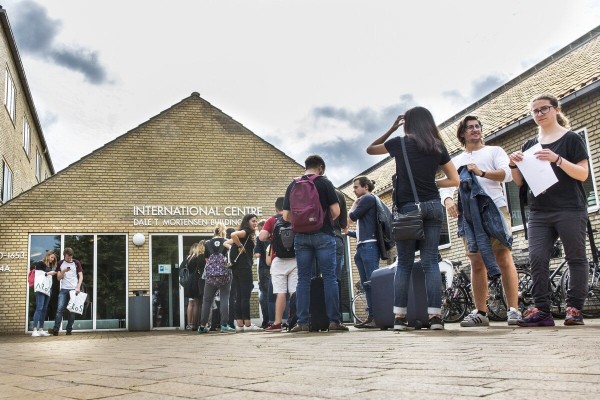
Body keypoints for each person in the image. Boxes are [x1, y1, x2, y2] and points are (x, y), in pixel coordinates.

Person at [367, 107, 459, 331]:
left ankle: (399, 318)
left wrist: (391, 128)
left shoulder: (400, 143)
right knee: (430, 263)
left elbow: (370, 149)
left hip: (408, 208)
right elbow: (454, 179)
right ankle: (436, 318)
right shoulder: (437, 146)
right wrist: (432, 184)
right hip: (433, 206)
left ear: (407, 123)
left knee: (405, 263)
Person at [509, 94, 589, 327]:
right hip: (539, 211)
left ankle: (574, 309)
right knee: (537, 258)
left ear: (556, 109)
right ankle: (542, 310)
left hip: (569, 208)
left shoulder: (571, 139)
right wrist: (514, 165)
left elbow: (583, 174)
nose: (539, 114)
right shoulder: (529, 145)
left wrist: (558, 159)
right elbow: (519, 183)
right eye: (534, 111)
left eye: (544, 109)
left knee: (575, 258)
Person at [440, 115, 521, 326]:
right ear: (462, 134)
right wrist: (448, 200)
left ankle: (513, 309)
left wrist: (481, 172)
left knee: (503, 257)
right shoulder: (456, 161)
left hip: (494, 208)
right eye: (470, 127)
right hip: (469, 216)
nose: (475, 130)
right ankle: (481, 313)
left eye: (477, 126)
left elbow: (507, 175)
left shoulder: (494, 151)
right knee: (476, 262)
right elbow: (448, 185)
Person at [283, 154, 347, 332]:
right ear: (321, 168)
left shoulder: (293, 184)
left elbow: (286, 216)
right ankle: (334, 321)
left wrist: (302, 221)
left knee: (303, 279)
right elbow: (335, 210)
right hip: (324, 235)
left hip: (301, 237)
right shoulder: (324, 183)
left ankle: (302, 322)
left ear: (306, 166)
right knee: (330, 278)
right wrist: (322, 220)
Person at [259, 197, 298, 332]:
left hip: (278, 259)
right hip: (295, 258)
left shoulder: (272, 220)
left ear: (276, 208)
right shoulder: (295, 218)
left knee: (280, 292)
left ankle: (277, 323)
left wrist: (272, 236)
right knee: (294, 291)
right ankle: (296, 320)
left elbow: (262, 237)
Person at [347, 176, 380, 328]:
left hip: (369, 246)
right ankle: (371, 316)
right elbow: (362, 229)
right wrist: (349, 233)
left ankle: (377, 317)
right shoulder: (365, 200)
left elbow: (351, 217)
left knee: (372, 283)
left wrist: (354, 204)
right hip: (362, 246)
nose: (354, 190)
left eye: (356, 187)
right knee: (366, 284)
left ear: (366, 187)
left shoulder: (367, 199)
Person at [198, 223, 236, 334]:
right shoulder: (226, 241)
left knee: (207, 301)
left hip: (211, 277)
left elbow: (206, 260)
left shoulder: (208, 243)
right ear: (224, 231)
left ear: (214, 231)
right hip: (225, 275)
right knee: (225, 298)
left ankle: (202, 326)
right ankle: (224, 325)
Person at [227, 214, 262, 332]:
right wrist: (240, 246)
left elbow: (226, 243)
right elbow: (233, 235)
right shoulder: (246, 231)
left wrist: (238, 246)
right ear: (247, 222)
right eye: (253, 221)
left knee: (239, 296)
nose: (255, 223)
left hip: (236, 267)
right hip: (243, 268)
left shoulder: (246, 233)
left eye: (256, 221)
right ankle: (247, 324)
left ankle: (240, 325)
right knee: (245, 296)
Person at [48, 248, 84, 336]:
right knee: (59, 309)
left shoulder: (76, 263)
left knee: (72, 311)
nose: (69, 259)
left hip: (74, 289)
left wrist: (78, 287)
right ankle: (56, 330)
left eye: (70, 257)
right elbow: (58, 278)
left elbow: (81, 276)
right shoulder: (60, 263)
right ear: (64, 255)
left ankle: (69, 330)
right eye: (67, 257)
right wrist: (64, 271)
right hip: (64, 289)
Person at [31, 251, 58, 337]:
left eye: (53, 258)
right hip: (40, 289)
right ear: (48, 256)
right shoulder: (40, 263)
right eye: (51, 257)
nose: (52, 259)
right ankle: (34, 329)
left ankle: (41, 329)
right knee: (39, 308)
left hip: (47, 289)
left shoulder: (50, 266)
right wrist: (48, 273)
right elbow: (38, 275)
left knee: (44, 309)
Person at [254, 219, 271, 328]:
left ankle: (266, 321)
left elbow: (257, 255)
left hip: (264, 269)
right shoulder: (275, 235)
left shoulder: (260, 237)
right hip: (278, 267)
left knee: (264, 294)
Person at [184, 243, 201, 330]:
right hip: (196, 281)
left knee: (190, 303)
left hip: (188, 282)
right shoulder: (197, 258)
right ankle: (195, 324)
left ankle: (189, 324)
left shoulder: (187, 258)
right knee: (196, 303)